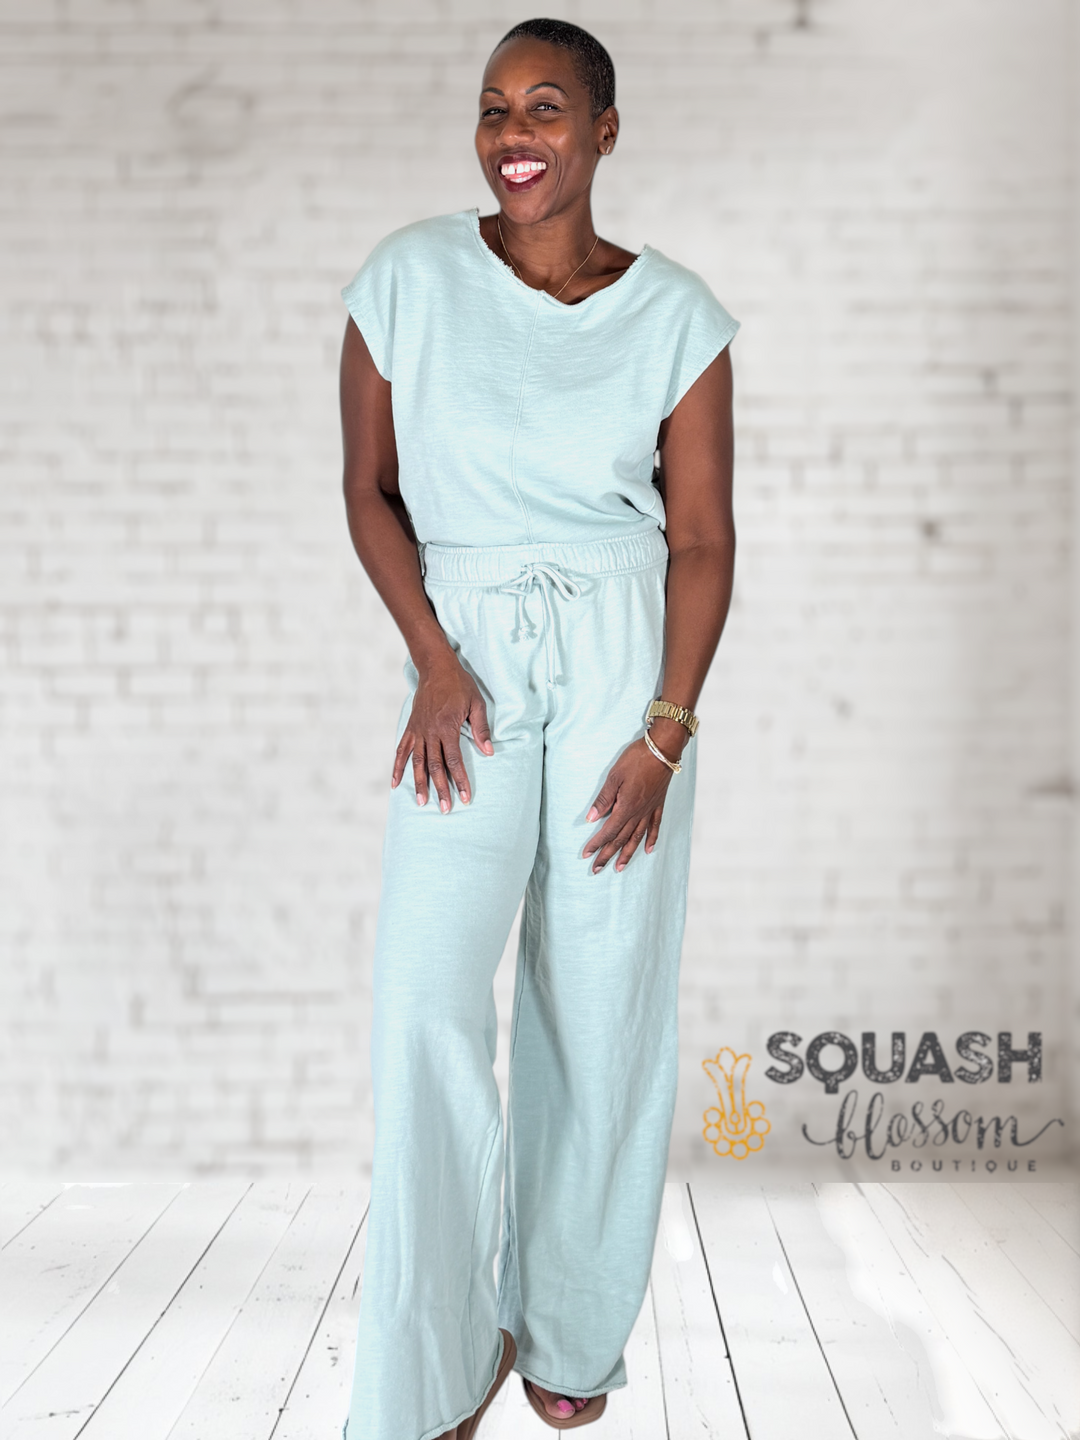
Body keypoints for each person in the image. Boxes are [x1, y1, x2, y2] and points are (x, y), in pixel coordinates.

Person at [338, 17, 736, 1440]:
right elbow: (370, 488)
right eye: (495, 108)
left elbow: (701, 539)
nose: (515, 133)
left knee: (603, 1006)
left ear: (604, 132)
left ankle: (566, 1328)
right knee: (427, 1005)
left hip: (628, 665)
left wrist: (665, 733)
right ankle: (435, 1363)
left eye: (548, 107)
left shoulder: (679, 316)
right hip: (466, 668)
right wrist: (434, 661)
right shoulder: (407, 280)